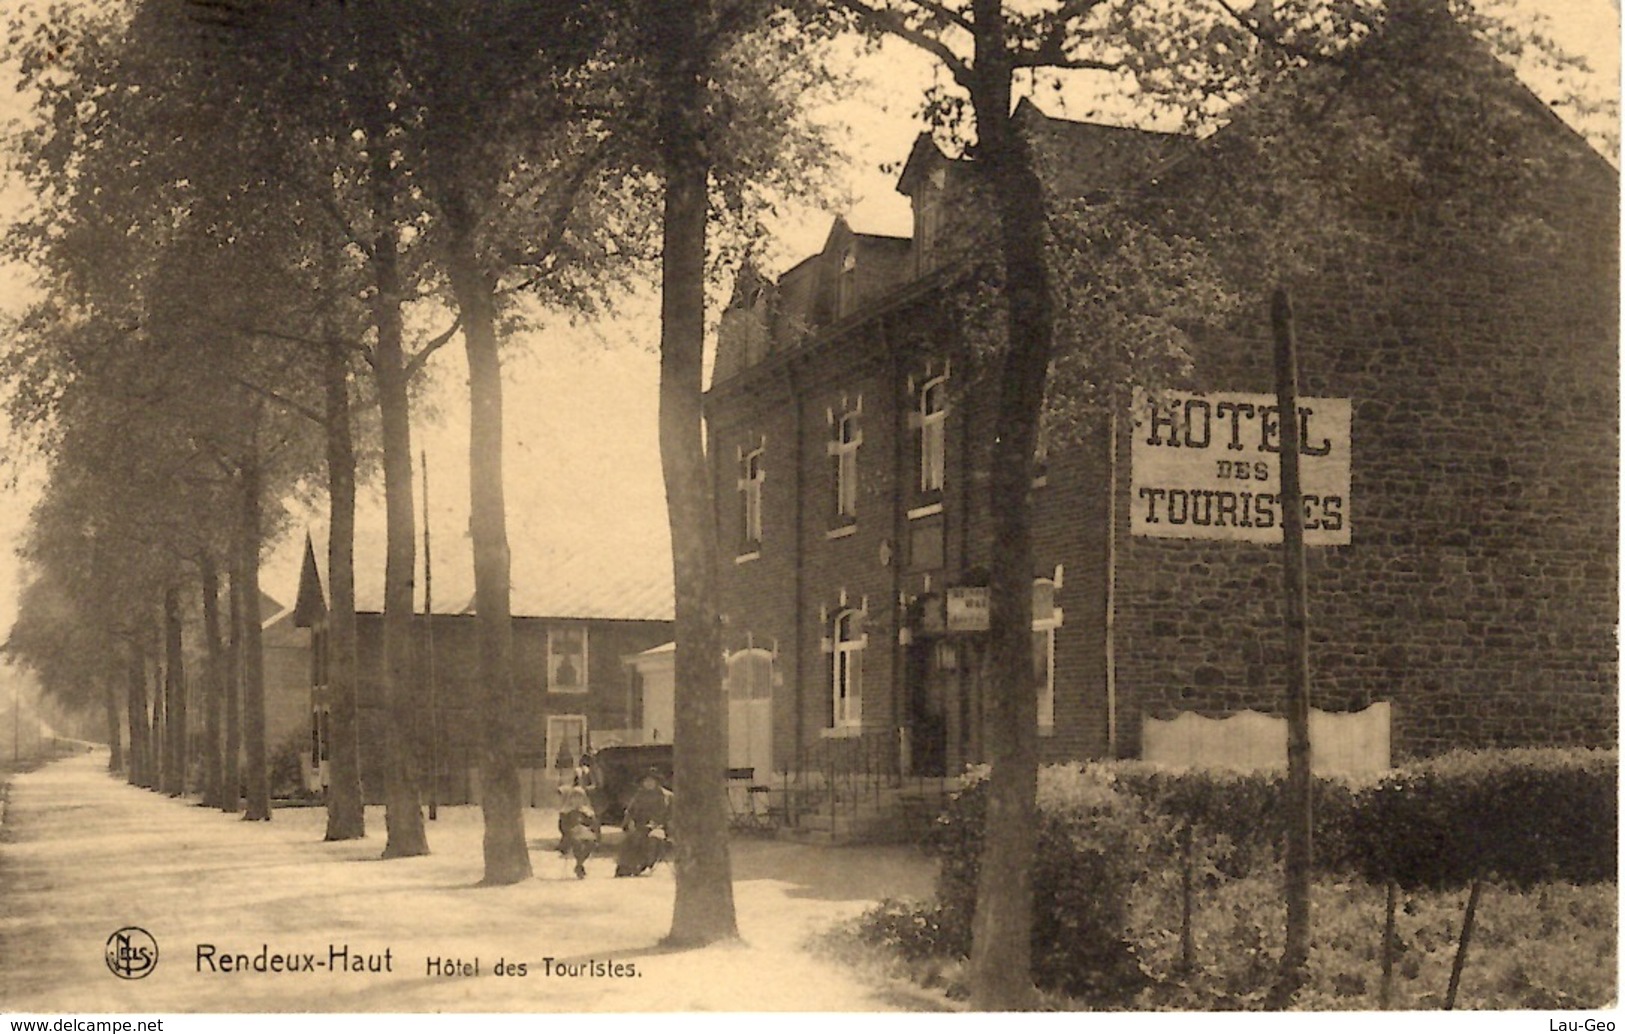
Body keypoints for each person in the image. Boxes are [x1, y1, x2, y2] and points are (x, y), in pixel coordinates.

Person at [614, 767, 672, 877]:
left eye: (651, 781)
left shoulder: (666, 796)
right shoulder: (639, 796)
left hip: (660, 827)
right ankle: (626, 865)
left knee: (652, 839)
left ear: (657, 782)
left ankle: (644, 863)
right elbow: (630, 812)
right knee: (633, 838)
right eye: (646, 781)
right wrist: (628, 823)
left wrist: (663, 826)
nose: (648, 783)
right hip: (641, 825)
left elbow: (671, 814)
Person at [556, 779, 599, 879]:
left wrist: (589, 826)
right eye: (575, 797)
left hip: (584, 832)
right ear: (571, 799)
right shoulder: (565, 812)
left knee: (591, 842)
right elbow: (562, 826)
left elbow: (593, 825)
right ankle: (579, 866)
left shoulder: (587, 812)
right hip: (570, 834)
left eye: (579, 798)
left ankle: (579, 864)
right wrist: (569, 830)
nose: (577, 800)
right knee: (577, 842)